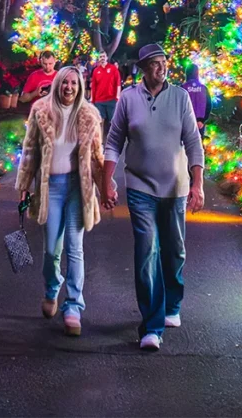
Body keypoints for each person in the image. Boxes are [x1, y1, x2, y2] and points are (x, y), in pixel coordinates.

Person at [102, 43, 205, 352]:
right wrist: (106, 181)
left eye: (164, 62)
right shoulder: (129, 98)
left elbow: (193, 142)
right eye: (155, 64)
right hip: (140, 187)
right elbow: (114, 141)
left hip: (175, 188)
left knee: (174, 251)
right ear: (144, 68)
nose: (162, 68)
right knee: (147, 251)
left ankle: (173, 302)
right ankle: (151, 326)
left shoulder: (180, 97)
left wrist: (198, 184)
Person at [16, 67, 106, 337]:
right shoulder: (41, 110)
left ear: (80, 87)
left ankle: (74, 306)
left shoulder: (89, 114)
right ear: (57, 84)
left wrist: (106, 187)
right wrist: (23, 186)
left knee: (75, 248)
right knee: (52, 251)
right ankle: (51, 290)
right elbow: (30, 150)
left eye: (74, 83)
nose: (69, 87)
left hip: (78, 188)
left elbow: (97, 156)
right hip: (50, 188)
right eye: (65, 82)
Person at [90, 51, 121, 133]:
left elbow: (118, 83)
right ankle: (100, 141)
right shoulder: (96, 71)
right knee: (100, 121)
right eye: (100, 57)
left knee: (112, 122)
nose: (102, 58)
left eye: (104, 56)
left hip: (111, 99)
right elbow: (94, 86)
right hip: (99, 100)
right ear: (99, 59)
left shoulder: (113, 68)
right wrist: (92, 99)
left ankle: (112, 140)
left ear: (107, 58)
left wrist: (117, 97)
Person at [181, 64, 212, 132]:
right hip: (199, 124)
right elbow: (209, 105)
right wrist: (202, 121)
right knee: (198, 142)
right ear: (197, 73)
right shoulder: (204, 88)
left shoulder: (182, 88)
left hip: (185, 123)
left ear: (186, 73)